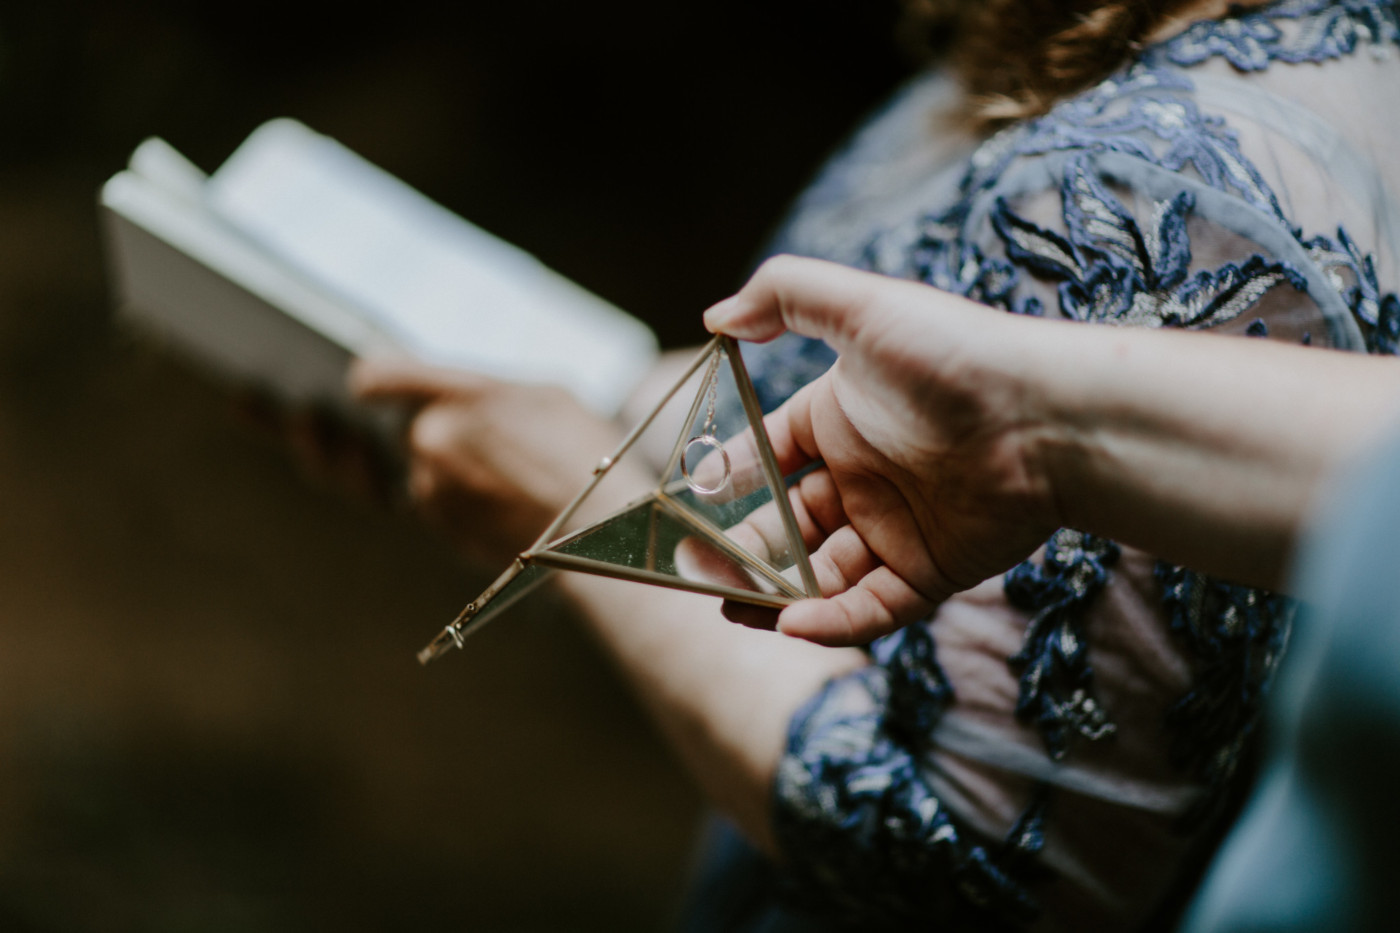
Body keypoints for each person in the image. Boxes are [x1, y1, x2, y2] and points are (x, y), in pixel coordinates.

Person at [349, 1, 1400, 928]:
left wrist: (561, 498)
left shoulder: (1152, 192)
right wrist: (559, 408)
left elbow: (989, 861)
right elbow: (880, 412)